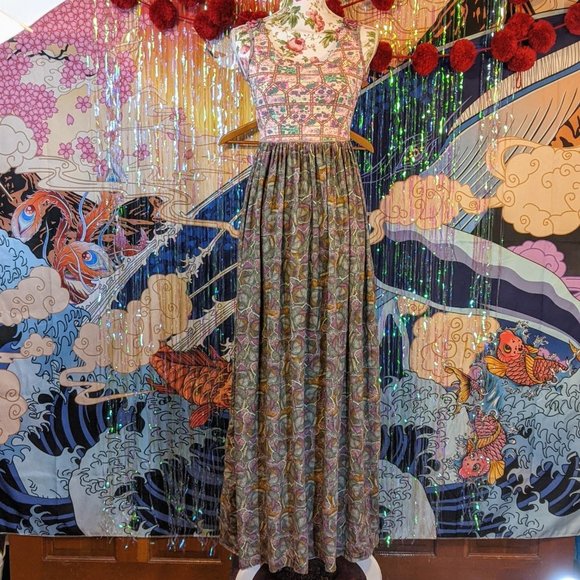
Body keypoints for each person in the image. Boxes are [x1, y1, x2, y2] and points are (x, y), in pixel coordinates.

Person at [219, 0, 382, 578]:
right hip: (275, 205)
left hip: (336, 204)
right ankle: (266, 532)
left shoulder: (360, 38)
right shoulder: (248, 39)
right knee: (272, 348)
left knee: (338, 346)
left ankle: (347, 532)